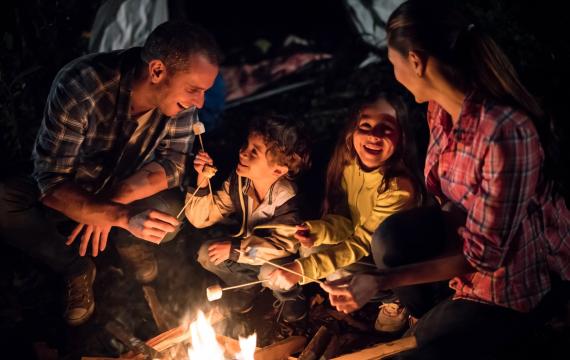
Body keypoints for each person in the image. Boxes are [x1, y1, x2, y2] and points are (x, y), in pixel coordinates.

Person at [321, 1, 570, 358]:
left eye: (394, 64)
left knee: (421, 350)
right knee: (391, 239)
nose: (394, 74)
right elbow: (449, 205)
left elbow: (485, 257)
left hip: (515, 280)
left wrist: (382, 281)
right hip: (466, 251)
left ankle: (527, 326)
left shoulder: (505, 132)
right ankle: (435, 316)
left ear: (416, 62)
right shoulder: (440, 111)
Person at [0, 21, 221, 326]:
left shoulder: (181, 106)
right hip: (69, 192)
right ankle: (74, 267)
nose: (200, 102)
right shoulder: (82, 83)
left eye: (205, 92)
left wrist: (111, 204)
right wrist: (120, 217)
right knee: (5, 202)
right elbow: (50, 181)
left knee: (168, 216)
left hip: (119, 188)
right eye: (194, 89)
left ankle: (128, 243)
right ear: (157, 71)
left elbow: (173, 165)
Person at [266, 90, 425, 332]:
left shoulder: (398, 188)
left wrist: (301, 270)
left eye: (386, 128)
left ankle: (396, 298)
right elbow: (348, 222)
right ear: (353, 131)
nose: (374, 135)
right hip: (367, 247)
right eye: (366, 125)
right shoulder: (351, 165)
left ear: (402, 137)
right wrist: (317, 231)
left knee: (335, 270)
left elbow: (362, 242)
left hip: (398, 262)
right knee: (311, 247)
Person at [186, 115, 311, 323]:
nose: (242, 152)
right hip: (249, 253)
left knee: (271, 272)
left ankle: (292, 297)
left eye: (254, 152)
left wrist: (235, 249)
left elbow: (282, 247)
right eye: (246, 145)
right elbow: (201, 218)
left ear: (278, 170)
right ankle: (246, 288)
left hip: (280, 261)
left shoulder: (288, 201)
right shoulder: (240, 182)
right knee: (206, 254)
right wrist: (202, 178)